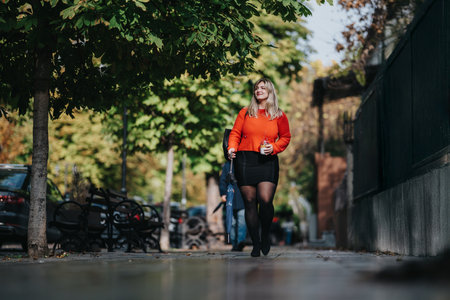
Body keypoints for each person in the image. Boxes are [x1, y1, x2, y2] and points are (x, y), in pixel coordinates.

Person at [228, 78, 291, 257]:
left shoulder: (278, 114)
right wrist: (232, 147)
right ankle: (255, 243)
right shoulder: (245, 112)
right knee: (249, 202)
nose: (259, 90)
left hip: (267, 159)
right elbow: (235, 133)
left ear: (270, 91)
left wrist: (275, 147)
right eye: (257, 88)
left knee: (265, 200)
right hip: (245, 159)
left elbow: (286, 137)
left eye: (263, 88)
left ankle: (265, 235)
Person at [219, 160, 247, 251]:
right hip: (230, 197)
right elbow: (223, 180)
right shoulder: (228, 165)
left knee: (242, 222)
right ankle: (234, 243)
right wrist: (223, 193)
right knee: (232, 223)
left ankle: (240, 242)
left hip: (243, 198)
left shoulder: (245, 162)